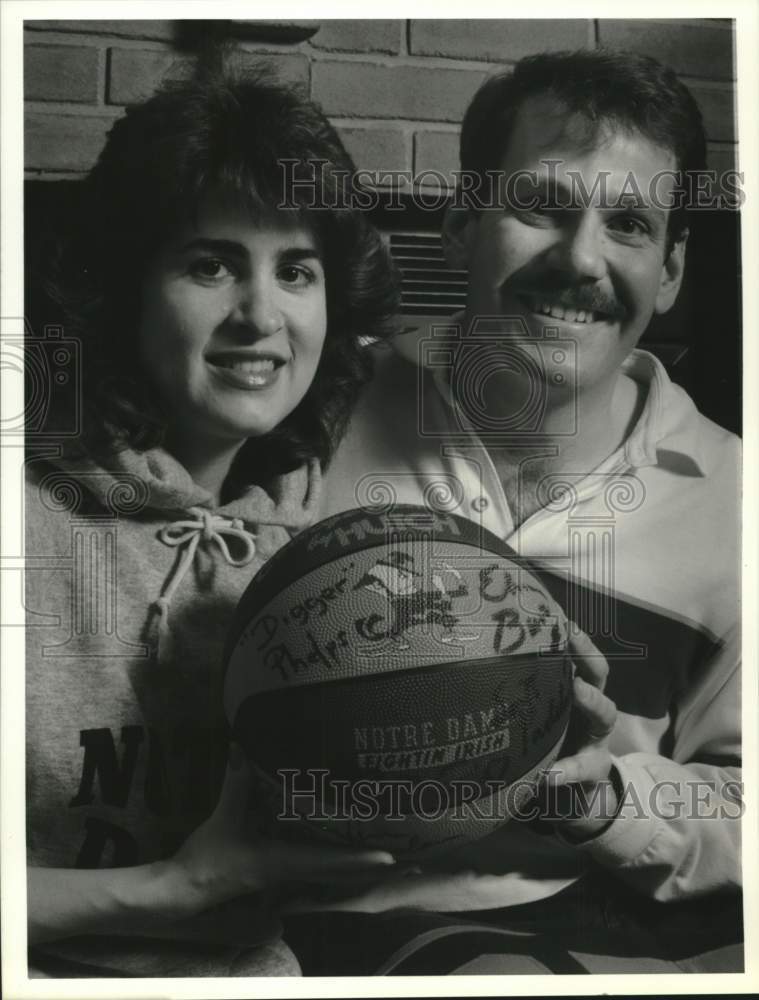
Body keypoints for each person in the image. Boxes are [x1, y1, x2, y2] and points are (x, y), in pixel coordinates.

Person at [306, 49, 742, 973]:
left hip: (601, 930)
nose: (580, 259)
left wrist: (603, 799)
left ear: (668, 270)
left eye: (628, 223)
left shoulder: (739, 505)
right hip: (304, 918)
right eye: (540, 205)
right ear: (461, 226)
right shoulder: (315, 410)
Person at [24, 64, 401, 978]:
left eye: (296, 271)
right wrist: (172, 889)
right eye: (211, 264)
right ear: (123, 286)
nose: (261, 315)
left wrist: (526, 706)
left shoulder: (319, 549)